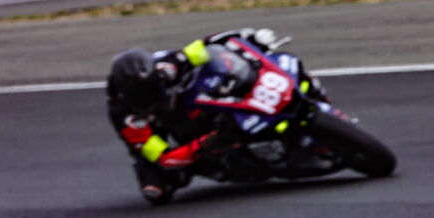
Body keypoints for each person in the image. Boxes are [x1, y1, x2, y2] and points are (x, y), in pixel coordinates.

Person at [106, 27, 320, 204]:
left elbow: (206, 45)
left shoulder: (167, 67)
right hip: (163, 131)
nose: (148, 97)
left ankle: (303, 98)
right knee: (157, 192)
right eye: (141, 96)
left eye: (151, 89)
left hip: (191, 101)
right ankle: (218, 163)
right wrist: (209, 142)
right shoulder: (126, 116)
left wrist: (246, 37)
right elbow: (164, 158)